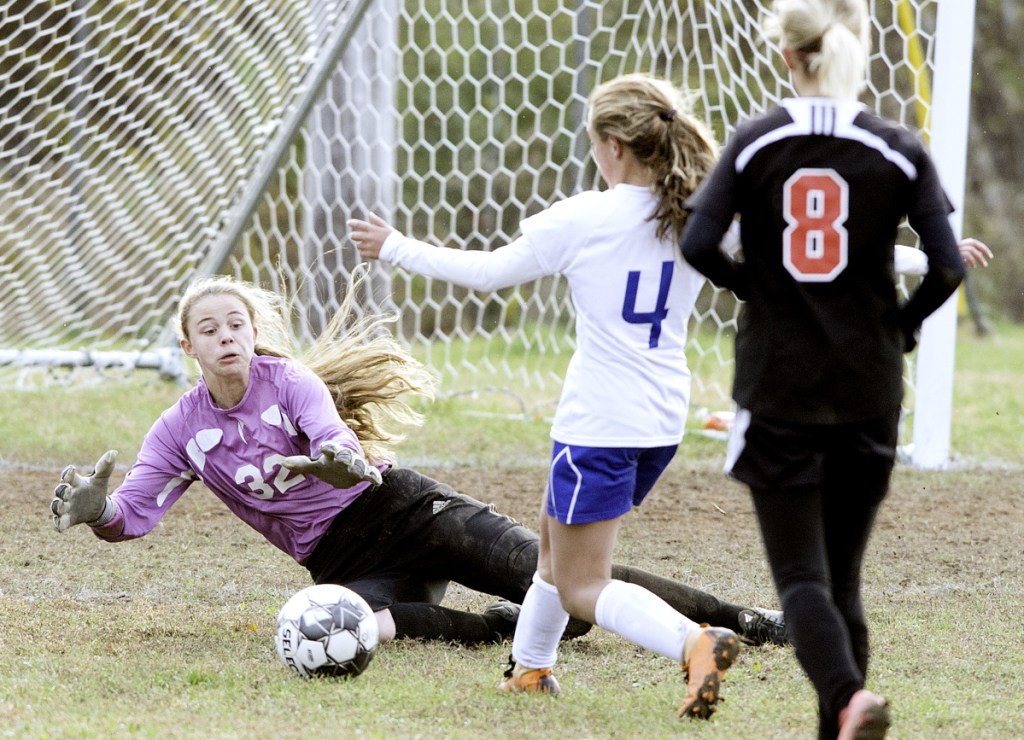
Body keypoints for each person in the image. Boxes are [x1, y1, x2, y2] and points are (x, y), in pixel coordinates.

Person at [49, 270, 787, 653]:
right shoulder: (179, 430)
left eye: (236, 323)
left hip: (408, 511)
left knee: (569, 584)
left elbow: (333, 439)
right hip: (341, 557)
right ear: (189, 348)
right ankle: (501, 629)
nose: (226, 335)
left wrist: (336, 463)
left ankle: (748, 620)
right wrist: (97, 513)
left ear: (253, 331)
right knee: (355, 622)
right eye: (208, 329)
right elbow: (134, 512)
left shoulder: (290, 383)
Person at [350, 73, 742, 719]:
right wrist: (921, 261)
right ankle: (531, 670)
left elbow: (486, 274)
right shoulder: (698, 212)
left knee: (582, 581)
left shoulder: (586, 217)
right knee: (553, 547)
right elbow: (806, 253)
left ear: (613, 144)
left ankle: (694, 643)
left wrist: (394, 246)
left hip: (600, 424)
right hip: (660, 421)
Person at [678, 1, 967, 738]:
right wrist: (896, 329)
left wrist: (754, 287)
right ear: (855, 51)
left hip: (778, 386)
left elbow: (699, 244)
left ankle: (847, 700)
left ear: (787, 57)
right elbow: (945, 266)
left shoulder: (755, 141)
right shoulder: (899, 147)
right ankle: (840, 719)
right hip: (869, 389)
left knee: (802, 580)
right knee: (844, 582)